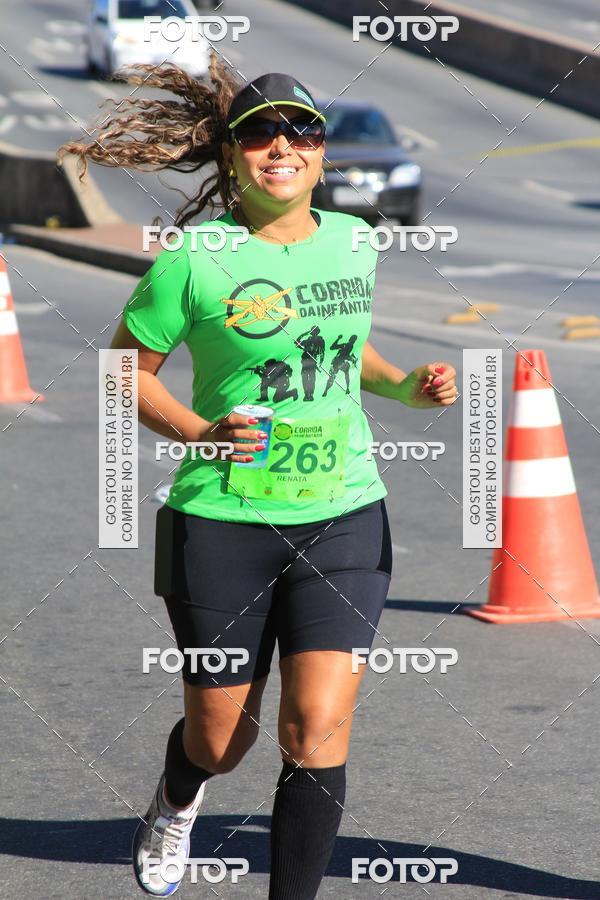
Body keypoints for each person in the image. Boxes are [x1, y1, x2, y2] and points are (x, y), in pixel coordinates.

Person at [60, 56, 457, 899]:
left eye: (301, 131)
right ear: (232, 155)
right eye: (260, 133)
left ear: (321, 152)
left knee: (317, 729)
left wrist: (403, 387)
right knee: (221, 740)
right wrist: (202, 432)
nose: (283, 145)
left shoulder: (355, 240)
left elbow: (345, 349)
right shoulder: (193, 261)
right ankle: (177, 797)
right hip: (221, 522)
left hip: (346, 513)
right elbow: (124, 374)